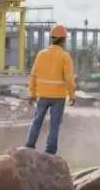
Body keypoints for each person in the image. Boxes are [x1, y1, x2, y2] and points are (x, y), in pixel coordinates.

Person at [24, 24, 76, 155]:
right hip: (58, 97)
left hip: (42, 95)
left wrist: (32, 93)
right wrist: (72, 95)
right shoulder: (65, 57)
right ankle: (50, 151)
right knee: (54, 125)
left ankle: (29, 146)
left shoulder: (41, 54)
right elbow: (69, 78)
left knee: (36, 121)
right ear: (63, 40)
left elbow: (33, 75)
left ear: (51, 38)